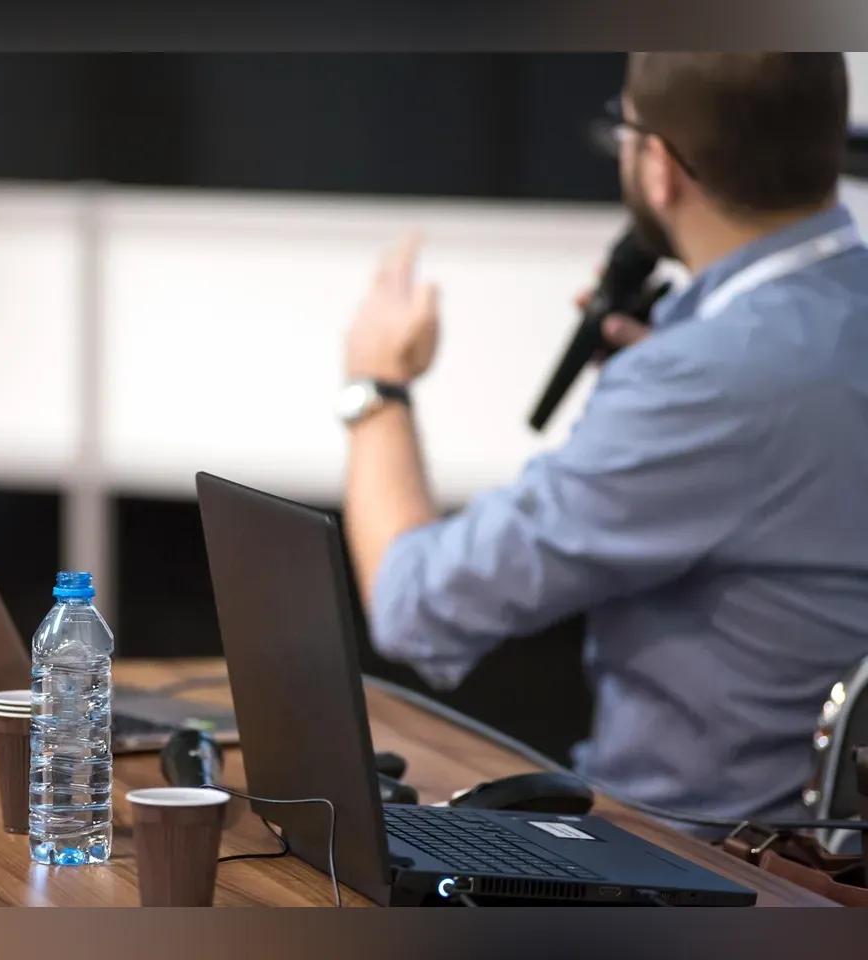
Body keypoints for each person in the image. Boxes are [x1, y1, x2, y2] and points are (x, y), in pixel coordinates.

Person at [340, 53, 868, 825]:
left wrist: (377, 388)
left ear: (659, 167)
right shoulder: (751, 349)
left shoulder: (700, 382)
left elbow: (415, 604)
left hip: (700, 864)